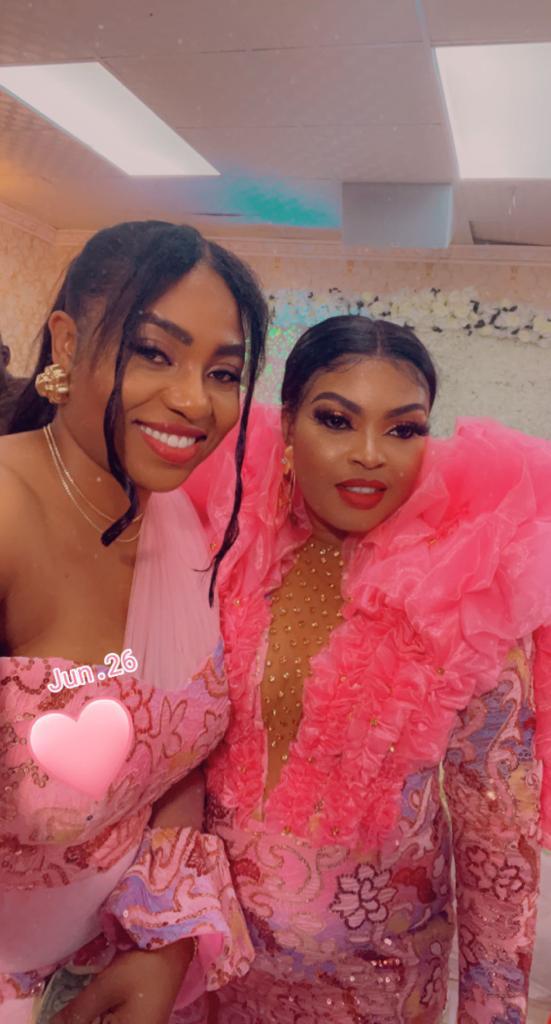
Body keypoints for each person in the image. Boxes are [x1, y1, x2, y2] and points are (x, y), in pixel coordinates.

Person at [185, 315, 551, 1023]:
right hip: (211, 969)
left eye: (402, 428)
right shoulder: (229, 547)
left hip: (377, 989)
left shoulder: (460, 597)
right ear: (287, 424)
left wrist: (491, 1014)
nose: (369, 455)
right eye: (336, 420)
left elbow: (496, 849)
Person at [0, 220, 268, 1024]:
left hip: (122, 961)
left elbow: (177, 753)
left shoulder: (176, 521)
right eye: (154, 352)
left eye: (223, 372)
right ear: (65, 341)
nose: (193, 400)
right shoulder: (8, 513)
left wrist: (165, 940)